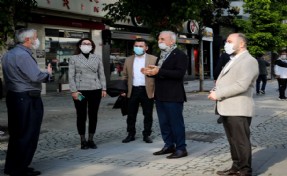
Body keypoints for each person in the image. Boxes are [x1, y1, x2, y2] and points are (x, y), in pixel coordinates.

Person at [2, 28, 52, 176]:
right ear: (27, 39)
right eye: (36, 37)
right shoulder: (23, 55)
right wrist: (48, 74)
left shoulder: (8, 54)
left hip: (15, 96)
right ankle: (19, 168)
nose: (37, 40)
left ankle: (12, 166)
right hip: (27, 97)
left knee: (17, 134)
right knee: (28, 133)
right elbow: (36, 76)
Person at [208, 33, 259, 176]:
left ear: (241, 44)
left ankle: (244, 170)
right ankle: (236, 167)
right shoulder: (234, 59)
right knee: (233, 141)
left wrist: (218, 94)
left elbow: (242, 85)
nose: (226, 44)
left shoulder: (249, 60)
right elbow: (228, 80)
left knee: (241, 141)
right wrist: (216, 89)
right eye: (226, 41)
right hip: (228, 107)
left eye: (230, 41)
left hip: (238, 108)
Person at [142, 31, 188, 159]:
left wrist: (159, 70)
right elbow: (160, 73)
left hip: (173, 95)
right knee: (164, 123)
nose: (159, 41)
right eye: (159, 39)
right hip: (160, 95)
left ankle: (181, 148)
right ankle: (169, 145)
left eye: (162, 39)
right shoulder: (161, 55)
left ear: (172, 41)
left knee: (176, 123)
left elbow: (179, 74)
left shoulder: (180, 55)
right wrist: (150, 72)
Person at [69, 38, 107, 150]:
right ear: (80, 46)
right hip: (80, 91)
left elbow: (102, 74)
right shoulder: (74, 58)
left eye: (88, 44)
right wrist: (73, 91)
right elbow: (71, 76)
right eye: (84, 43)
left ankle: (91, 139)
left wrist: (103, 88)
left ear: (92, 46)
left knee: (93, 115)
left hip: (95, 90)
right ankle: (82, 140)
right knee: (81, 115)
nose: (86, 45)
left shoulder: (97, 58)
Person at [121, 38, 157, 143]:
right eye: (136, 46)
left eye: (141, 46)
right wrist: (123, 89)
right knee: (131, 114)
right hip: (133, 90)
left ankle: (147, 134)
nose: (138, 48)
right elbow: (125, 76)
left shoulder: (153, 59)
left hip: (147, 90)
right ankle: (130, 134)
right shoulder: (128, 60)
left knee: (148, 114)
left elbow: (157, 76)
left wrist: (155, 91)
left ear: (146, 48)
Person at [214, 51, 230, 124]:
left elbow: (218, 67)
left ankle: (222, 113)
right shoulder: (240, 56)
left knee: (221, 95)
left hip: (224, 78)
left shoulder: (224, 55)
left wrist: (216, 78)